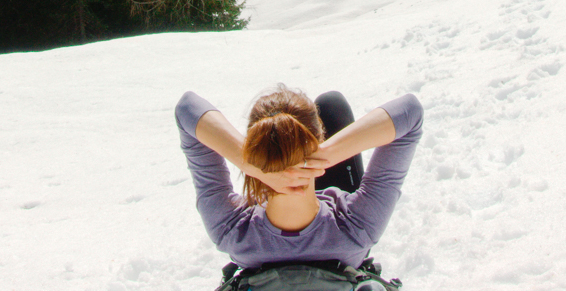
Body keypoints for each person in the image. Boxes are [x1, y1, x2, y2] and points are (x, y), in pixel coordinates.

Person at [175, 86, 423, 269]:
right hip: (337, 237)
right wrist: (322, 157)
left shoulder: (232, 232)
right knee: (331, 104)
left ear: (254, 147)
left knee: (329, 104)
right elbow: (410, 112)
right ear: (320, 138)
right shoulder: (358, 227)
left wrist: (253, 165)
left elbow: (187, 108)